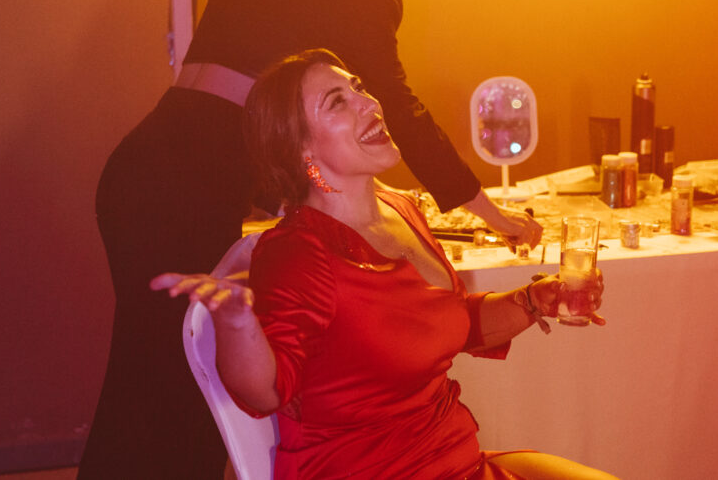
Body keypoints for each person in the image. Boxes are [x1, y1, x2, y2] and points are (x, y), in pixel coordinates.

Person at [80, 0, 542, 478]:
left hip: (136, 169)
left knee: (141, 371)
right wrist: (490, 212)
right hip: (186, 192)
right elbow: (399, 110)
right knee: (183, 394)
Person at [152, 49, 614, 480]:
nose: (369, 103)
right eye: (338, 101)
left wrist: (533, 300)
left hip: (457, 463)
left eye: (358, 86)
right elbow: (266, 392)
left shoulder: (400, 209)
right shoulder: (299, 251)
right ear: (300, 148)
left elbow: (444, 325)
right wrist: (237, 322)